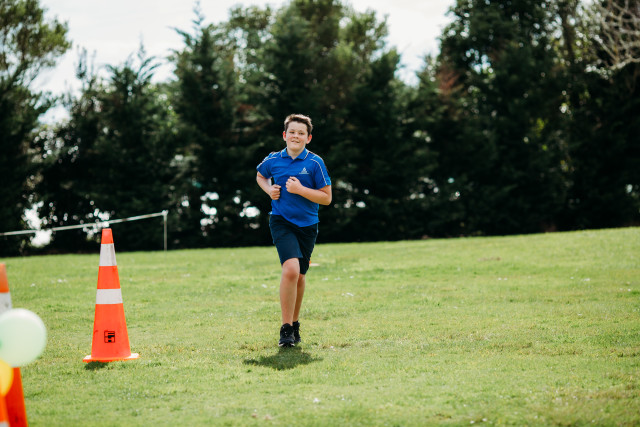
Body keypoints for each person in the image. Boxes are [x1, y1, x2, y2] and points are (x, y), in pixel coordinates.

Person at [256, 114, 332, 347]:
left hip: (308, 225)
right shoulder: (273, 159)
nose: (296, 136)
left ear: (308, 138)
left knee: (299, 275)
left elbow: (326, 198)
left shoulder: (315, 163)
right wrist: (269, 190)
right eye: (292, 132)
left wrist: (300, 190)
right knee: (291, 270)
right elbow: (260, 176)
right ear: (284, 135)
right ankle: (286, 328)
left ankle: (295, 324)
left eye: (301, 133)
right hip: (281, 221)